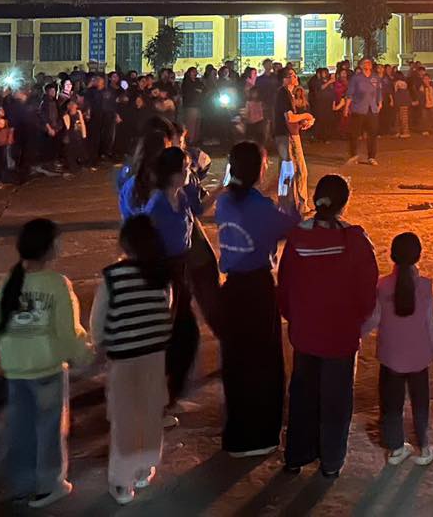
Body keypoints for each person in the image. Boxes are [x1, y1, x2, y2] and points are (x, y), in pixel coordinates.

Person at [0, 218, 92, 507]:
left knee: (23, 429)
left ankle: (22, 484)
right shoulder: (57, 284)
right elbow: (68, 331)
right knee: (50, 430)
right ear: (52, 248)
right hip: (47, 370)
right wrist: (85, 355)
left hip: (16, 371)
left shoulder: (11, 281)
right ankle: (49, 486)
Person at [277, 174, 379, 478]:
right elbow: (367, 290)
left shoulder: (297, 238)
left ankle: (296, 455)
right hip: (341, 336)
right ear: (344, 202)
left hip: (305, 334)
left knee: (303, 395)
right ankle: (331, 461)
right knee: (336, 401)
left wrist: (295, 319)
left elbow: (284, 286)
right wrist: (356, 323)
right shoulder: (355, 240)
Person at [215, 141, 298, 457]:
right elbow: (291, 227)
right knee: (263, 362)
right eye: (264, 165)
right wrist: (288, 201)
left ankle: (237, 433)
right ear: (256, 170)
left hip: (232, 289)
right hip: (257, 288)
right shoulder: (259, 207)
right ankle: (261, 435)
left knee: (237, 362)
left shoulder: (225, 203)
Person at [91, 215, 172, 504]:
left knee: (125, 418)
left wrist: (99, 346)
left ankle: (123, 483)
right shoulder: (161, 274)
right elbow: (166, 307)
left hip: (123, 357)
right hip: (154, 354)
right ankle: (144, 469)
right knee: (150, 413)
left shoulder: (112, 276)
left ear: (124, 243)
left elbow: (98, 319)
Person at [133, 145, 212, 412]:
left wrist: (225, 188)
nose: (191, 171)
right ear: (176, 174)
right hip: (164, 273)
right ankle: (162, 394)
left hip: (181, 271)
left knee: (181, 332)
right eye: (187, 167)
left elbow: (198, 212)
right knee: (180, 332)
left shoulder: (183, 195)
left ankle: (168, 391)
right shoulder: (156, 205)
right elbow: (144, 240)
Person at [367, 232, 433, 466]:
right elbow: (431, 322)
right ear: (419, 255)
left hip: (391, 357)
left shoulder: (382, 285)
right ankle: (425, 447)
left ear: (392, 255)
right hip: (419, 357)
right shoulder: (426, 286)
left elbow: (374, 319)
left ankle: (397, 449)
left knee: (391, 405)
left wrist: (354, 335)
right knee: (420, 404)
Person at [273, 68, 315, 215]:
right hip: (286, 136)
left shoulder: (287, 94)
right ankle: (293, 205)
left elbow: (291, 119)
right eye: (291, 75)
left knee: (291, 170)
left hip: (287, 134)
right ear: (284, 79)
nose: (295, 77)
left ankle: (290, 205)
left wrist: (302, 122)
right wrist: (307, 116)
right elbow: (289, 117)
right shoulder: (283, 93)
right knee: (295, 171)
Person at [344, 58, 382, 166]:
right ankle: (353, 155)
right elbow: (350, 94)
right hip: (359, 109)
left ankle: (371, 157)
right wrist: (347, 107)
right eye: (365, 62)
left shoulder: (375, 77)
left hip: (372, 109)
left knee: (372, 134)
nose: (368, 64)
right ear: (361, 66)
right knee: (355, 134)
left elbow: (379, 91)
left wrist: (379, 102)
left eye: (369, 62)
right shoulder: (356, 78)